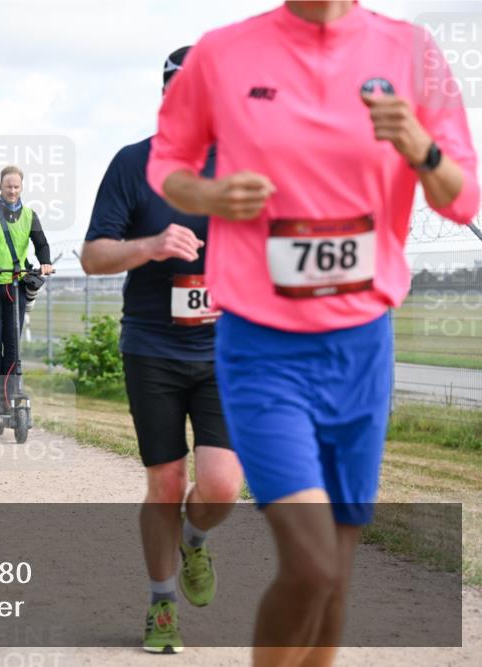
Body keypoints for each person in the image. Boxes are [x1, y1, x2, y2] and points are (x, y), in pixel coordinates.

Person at [148, 2, 479, 663]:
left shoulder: (413, 53)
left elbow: (461, 196)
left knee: (337, 581)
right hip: (263, 348)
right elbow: (168, 164)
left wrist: (420, 146)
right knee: (312, 563)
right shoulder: (223, 52)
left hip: (363, 349)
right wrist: (211, 196)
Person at [81, 45, 243, 655]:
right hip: (151, 345)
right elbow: (94, 256)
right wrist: (149, 245)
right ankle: (162, 604)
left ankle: (195, 542)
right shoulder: (133, 164)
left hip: (226, 349)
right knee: (167, 481)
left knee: (222, 484)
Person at [0, 165, 54, 417]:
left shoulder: (29, 215)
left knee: (13, 343)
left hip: (16, 284)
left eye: (16, 186)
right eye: (8, 186)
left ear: (21, 187)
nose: (12, 190)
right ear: (0, 187)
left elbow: (41, 243)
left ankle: (11, 393)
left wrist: (45, 262)